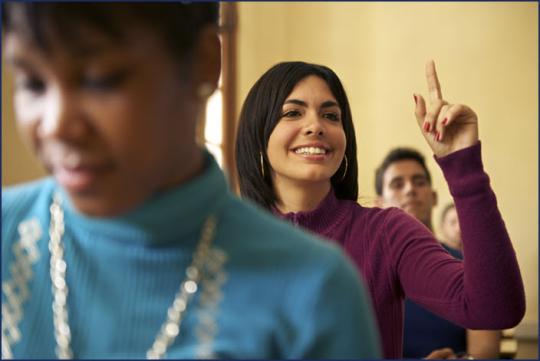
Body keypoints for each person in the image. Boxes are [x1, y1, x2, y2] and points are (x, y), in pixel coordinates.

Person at [0, 3, 381, 359]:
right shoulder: (8, 234)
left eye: (102, 79)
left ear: (203, 63)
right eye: (33, 82)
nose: (57, 124)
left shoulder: (313, 288)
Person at [235, 60, 525, 358]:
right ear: (259, 135)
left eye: (331, 116)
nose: (316, 126)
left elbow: (495, 310)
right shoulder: (227, 243)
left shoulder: (386, 232)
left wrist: (463, 164)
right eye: (293, 113)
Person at [375, 148, 502, 359]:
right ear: (379, 204)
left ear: (433, 197)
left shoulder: (471, 265)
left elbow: (485, 352)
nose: (409, 190)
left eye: (419, 181)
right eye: (397, 184)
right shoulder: (364, 268)